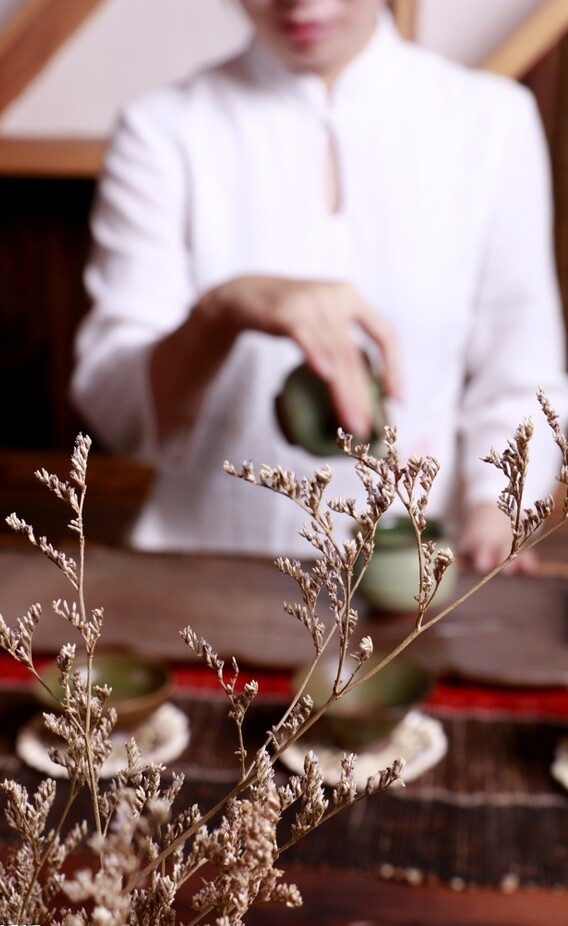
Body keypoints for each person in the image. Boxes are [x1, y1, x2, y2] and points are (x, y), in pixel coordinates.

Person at [71, 0, 567, 572]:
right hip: (205, 578)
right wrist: (221, 311)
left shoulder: (491, 121)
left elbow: (521, 377)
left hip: (417, 578)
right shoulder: (161, 130)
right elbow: (118, 413)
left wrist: (497, 514)